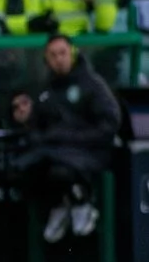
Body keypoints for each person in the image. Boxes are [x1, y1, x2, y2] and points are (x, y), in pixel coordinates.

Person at [14, 34, 125, 242]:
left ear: (72, 53)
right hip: (55, 151)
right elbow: (38, 126)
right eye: (53, 55)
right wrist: (26, 120)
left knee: (61, 169)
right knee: (25, 166)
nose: (59, 59)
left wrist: (73, 137)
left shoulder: (92, 85)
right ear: (47, 59)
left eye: (63, 53)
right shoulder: (45, 90)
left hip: (90, 150)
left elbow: (110, 123)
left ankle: (81, 201)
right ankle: (60, 204)